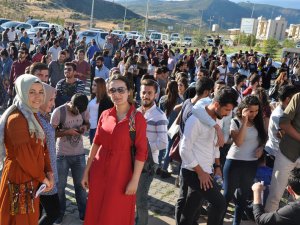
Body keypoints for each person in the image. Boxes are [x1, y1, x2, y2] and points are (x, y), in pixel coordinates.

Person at [82, 75, 148, 225]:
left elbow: (141, 152)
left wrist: (135, 181)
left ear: (129, 92)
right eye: (112, 90)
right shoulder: (105, 115)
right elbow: (96, 143)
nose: (116, 94)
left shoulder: (136, 118)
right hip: (99, 172)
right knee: (95, 210)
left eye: (121, 90)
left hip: (122, 175)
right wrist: (86, 171)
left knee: (115, 214)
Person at [179, 87, 238, 225]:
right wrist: (200, 173)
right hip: (193, 171)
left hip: (207, 170)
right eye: (226, 110)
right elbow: (184, 150)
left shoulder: (218, 118)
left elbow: (215, 146)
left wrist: (217, 166)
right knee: (220, 204)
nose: (228, 114)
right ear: (217, 104)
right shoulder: (195, 121)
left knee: (191, 210)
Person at [0, 74, 53, 225]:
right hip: (19, 180)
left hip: (32, 179)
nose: (37, 96)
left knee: (29, 219)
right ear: (22, 92)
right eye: (32, 92)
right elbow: (24, 157)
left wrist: (49, 172)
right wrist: (43, 178)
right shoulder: (16, 119)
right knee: (19, 221)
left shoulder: (32, 115)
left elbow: (43, 147)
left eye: (40, 91)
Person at [222, 95, 267, 225]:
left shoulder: (259, 122)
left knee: (242, 198)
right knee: (227, 196)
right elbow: (239, 142)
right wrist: (245, 121)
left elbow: (263, 138)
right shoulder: (235, 122)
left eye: (256, 111)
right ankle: (218, 219)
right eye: (251, 111)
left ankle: (236, 222)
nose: (254, 114)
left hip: (251, 163)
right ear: (243, 109)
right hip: (234, 162)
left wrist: (261, 147)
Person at [51, 93, 90, 224]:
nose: (77, 113)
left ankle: (84, 214)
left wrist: (84, 127)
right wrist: (67, 132)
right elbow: (51, 133)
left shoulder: (83, 110)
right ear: (71, 104)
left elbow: (87, 123)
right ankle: (59, 213)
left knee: (81, 187)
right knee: (60, 187)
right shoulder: (59, 112)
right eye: (75, 110)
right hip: (62, 155)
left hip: (79, 155)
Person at [136, 79, 168, 225]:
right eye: (143, 92)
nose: (146, 96)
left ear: (155, 95)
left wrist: (144, 148)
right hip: (134, 160)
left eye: (149, 93)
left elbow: (163, 143)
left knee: (140, 199)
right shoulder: (136, 112)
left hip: (148, 163)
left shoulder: (159, 115)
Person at [265, 92, 300, 212]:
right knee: (275, 195)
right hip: (288, 152)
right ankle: (268, 220)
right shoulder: (298, 97)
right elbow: (283, 123)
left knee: (296, 199)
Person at [38, 83, 60, 225]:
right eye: (51, 99)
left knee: (38, 212)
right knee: (54, 212)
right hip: (45, 176)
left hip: (49, 173)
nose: (53, 103)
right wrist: (45, 175)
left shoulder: (43, 116)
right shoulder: (36, 119)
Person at [88, 77, 113, 145]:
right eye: (92, 85)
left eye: (95, 85)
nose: (92, 87)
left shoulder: (107, 101)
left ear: (100, 86)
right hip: (91, 128)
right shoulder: (93, 98)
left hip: (99, 129)